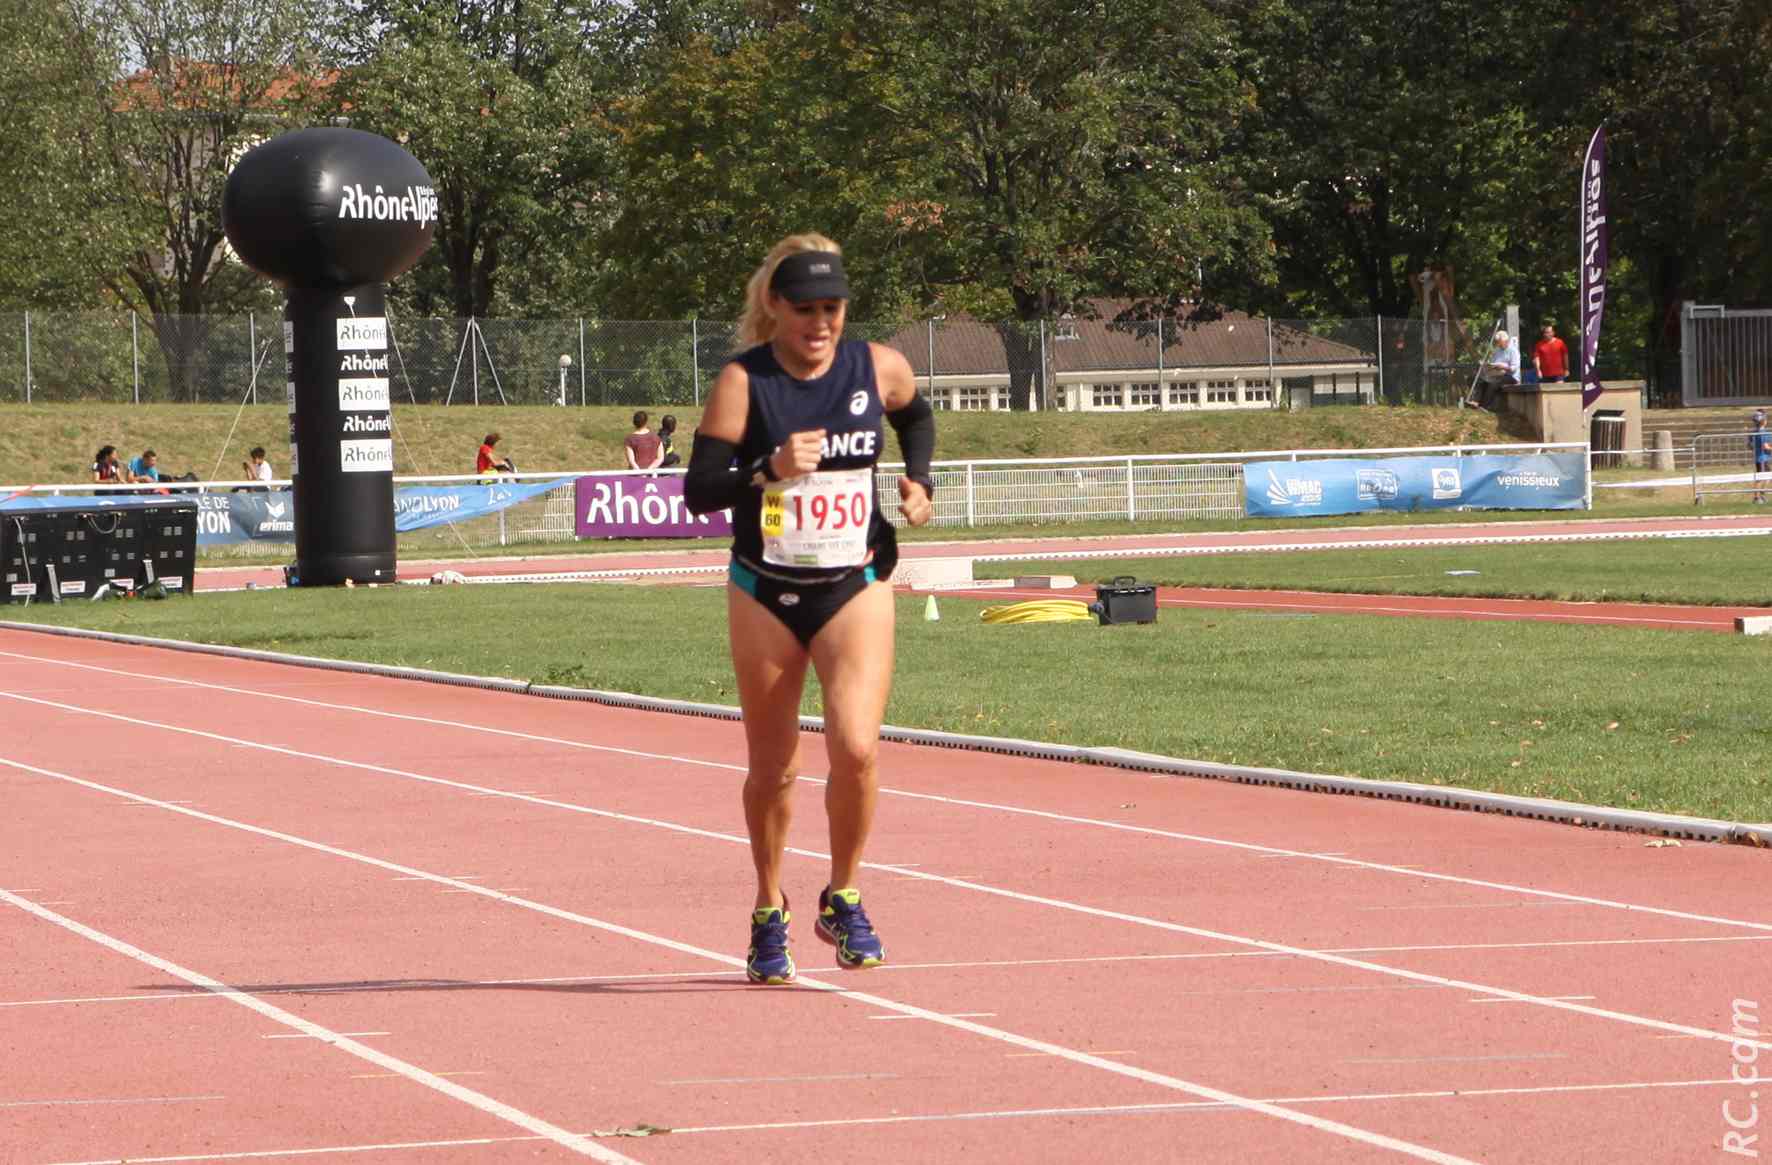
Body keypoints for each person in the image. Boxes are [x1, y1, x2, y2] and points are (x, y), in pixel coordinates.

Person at [683, 233, 935, 985]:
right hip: (765, 588)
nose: (820, 323)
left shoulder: (877, 366)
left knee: (856, 747)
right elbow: (699, 490)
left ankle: (843, 894)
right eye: (805, 309)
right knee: (774, 768)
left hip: (854, 582)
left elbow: (916, 417)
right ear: (775, 306)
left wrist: (920, 481)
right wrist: (766, 468)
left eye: (832, 308)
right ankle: (769, 906)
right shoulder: (744, 380)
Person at [1470, 329, 1520, 411]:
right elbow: (1493, 363)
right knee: (1482, 379)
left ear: (1506, 341)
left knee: (1493, 383)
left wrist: (1502, 367)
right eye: (1498, 342)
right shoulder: (1497, 351)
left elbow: (1514, 368)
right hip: (1497, 374)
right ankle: (1476, 402)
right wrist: (1487, 365)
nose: (1499, 344)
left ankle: (1484, 406)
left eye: (1500, 343)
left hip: (1511, 376)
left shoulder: (1513, 351)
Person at [1752, 409, 1770, 504]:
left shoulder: (1754, 432)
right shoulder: (1762, 432)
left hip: (1759, 458)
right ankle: (1758, 497)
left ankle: (1761, 495)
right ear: (1763, 421)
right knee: (1762, 478)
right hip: (1762, 458)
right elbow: (1765, 446)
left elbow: (1749, 445)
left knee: (1766, 476)